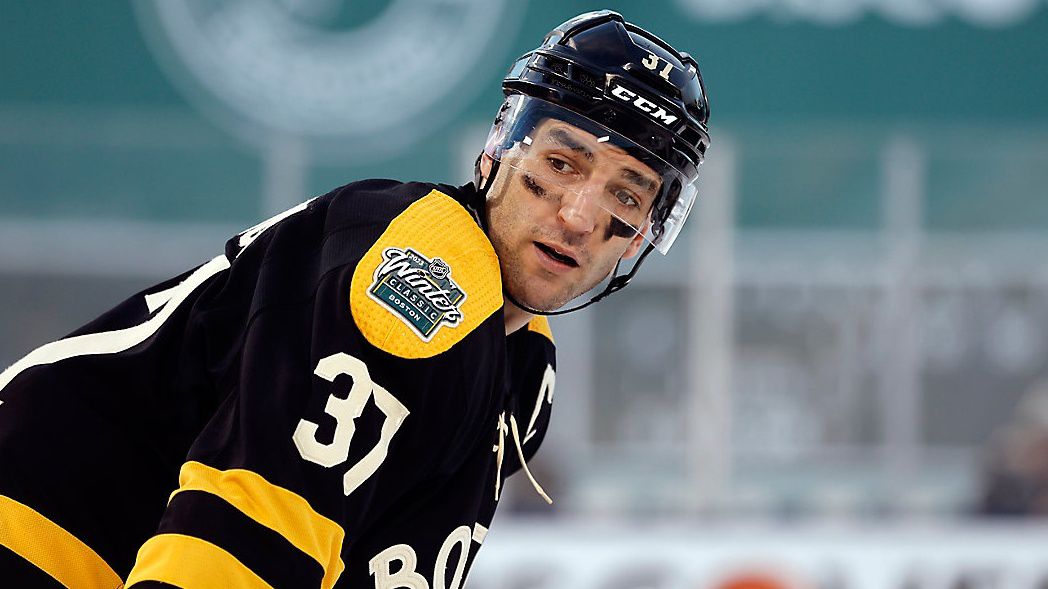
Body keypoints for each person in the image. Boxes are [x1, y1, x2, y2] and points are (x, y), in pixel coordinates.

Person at [0, 10, 710, 588]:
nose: (580, 215)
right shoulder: (425, 274)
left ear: (643, 232)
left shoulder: (523, 368)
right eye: (560, 163)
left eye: (625, 192)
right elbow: (240, 539)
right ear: (501, 148)